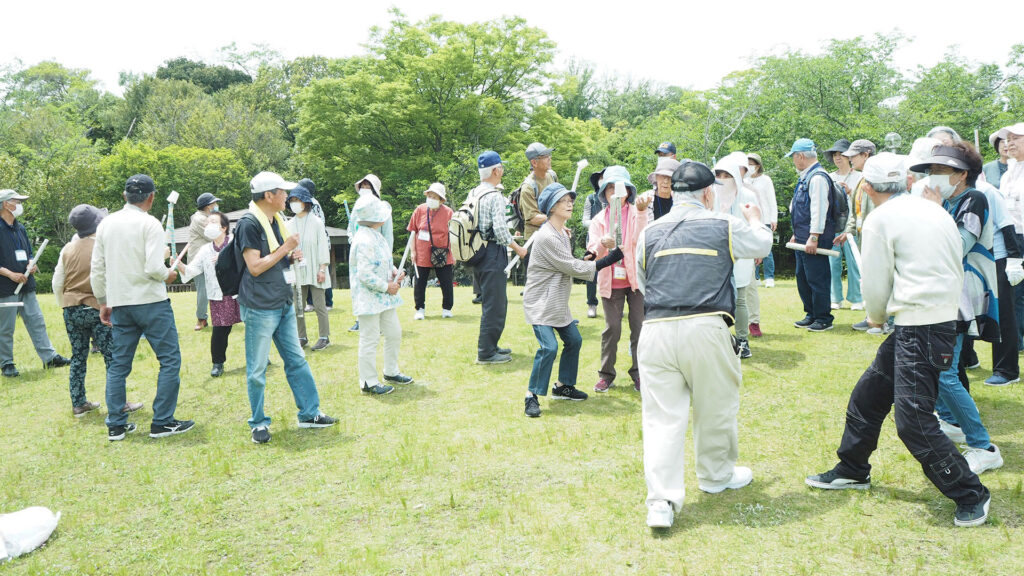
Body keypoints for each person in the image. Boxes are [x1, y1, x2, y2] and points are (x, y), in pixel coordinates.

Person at [805, 152, 992, 528]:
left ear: (869, 188)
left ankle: (971, 493)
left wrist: (875, 316)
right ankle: (853, 468)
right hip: (935, 318)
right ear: (906, 181)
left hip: (922, 324)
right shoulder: (933, 210)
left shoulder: (881, 220)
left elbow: (875, 284)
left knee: (914, 422)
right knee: (869, 394)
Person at [637, 161, 772, 528]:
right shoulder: (723, 223)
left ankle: (661, 500)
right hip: (706, 325)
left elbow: (644, 281)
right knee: (716, 406)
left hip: (656, 328)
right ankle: (715, 477)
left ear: (673, 191)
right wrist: (756, 217)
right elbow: (762, 243)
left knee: (661, 418)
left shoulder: (649, 231)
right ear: (708, 193)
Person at [911, 144, 1003, 475]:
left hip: (962, 297)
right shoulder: (952, 201)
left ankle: (983, 446)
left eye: (939, 171)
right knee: (932, 367)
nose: (932, 178)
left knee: (945, 372)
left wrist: (933, 212)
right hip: (945, 294)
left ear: (961, 174)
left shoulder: (973, 199)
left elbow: (957, 246)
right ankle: (951, 422)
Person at [91, 175, 193, 441]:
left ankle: (116, 423)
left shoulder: (106, 224)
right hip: (151, 301)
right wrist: (169, 274)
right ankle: (162, 421)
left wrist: (103, 300)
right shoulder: (150, 224)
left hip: (121, 303)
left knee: (118, 365)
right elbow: (153, 267)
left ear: (125, 196)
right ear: (151, 197)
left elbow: (97, 269)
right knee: (169, 360)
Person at [237, 171, 337, 444]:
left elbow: (277, 257)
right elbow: (255, 266)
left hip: (282, 300)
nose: (287, 198)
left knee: (296, 360)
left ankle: (309, 413)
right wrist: (287, 249)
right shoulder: (249, 224)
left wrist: (291, 255)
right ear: (268, 196)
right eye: (283, 192)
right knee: (257, 369)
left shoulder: (277, 220)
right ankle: (258, 423)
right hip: (259, 305)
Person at [523, 183, 623, 418]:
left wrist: (586, 258)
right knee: (549, 347)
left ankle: (563, 386)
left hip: (556, 302)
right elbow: (570, 267)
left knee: (574, 340)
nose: (569, 204)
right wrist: (606, 260)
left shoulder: (561, 233)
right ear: (551, 207)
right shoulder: (546, 236)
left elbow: (565, 264)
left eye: (570, 200)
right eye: (563, 201)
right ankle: (531, 396)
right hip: (540, 303)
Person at [52, 205, 142, 417]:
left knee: (78, 357)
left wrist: (64, 304)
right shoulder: (103, 247)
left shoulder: (67, 248)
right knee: (112, 357)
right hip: (97, 307)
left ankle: (78, 403)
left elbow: (57, 282)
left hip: (72, 308)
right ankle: (119, 403)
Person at [587, 166, 651, 391]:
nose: (615, 192)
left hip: (635, 281)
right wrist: (601, 245)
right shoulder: (599, 219)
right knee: (612, 328)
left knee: (640, 327)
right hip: (610, 281)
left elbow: (643, 241)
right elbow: (591, 250)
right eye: (610, 188)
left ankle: (640, 373)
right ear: (603, 192)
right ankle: (606, 374)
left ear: (628, 191)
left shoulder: (638, 211)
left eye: (619, 187)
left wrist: (643, 213)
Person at [0, 189, 70, 379]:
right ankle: (6, 363)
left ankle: (49, 357)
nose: (20, 205)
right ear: (6, 204)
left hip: (27, 285)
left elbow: (28, 252)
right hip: (5, 287)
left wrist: (32, 263)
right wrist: (9, 274)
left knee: (37, 321)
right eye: (17, 201)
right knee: (5, 327)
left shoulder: (20, 228)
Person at [350, 194, 413, 395]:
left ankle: (391, 371)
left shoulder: (376, 235)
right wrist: (387, 286)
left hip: (384, 298)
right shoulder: (363, 239)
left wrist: (394, 272)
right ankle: (368, 381)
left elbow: (383, 260)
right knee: (370, 338)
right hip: (369, 299)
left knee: (394, 332)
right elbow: (365, 274)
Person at [471, 151, 528, 364]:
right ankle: (486, 353)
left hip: (477, 252)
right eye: (501, 167)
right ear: (496, 170)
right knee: (495, 304)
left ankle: (491, 345)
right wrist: (519, 249)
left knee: (493, 301)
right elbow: (501, 231)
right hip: (492, 253)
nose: (502, 170)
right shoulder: (494, 195)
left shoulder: (474, 192)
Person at [177, 212, 241, 377]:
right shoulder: (205, 249)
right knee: (220, 331)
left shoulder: (236, 241)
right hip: (218, 296)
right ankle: (218, 363)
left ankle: (261, 357)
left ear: (224, 227)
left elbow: (243, 259)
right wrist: (179, 265)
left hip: (239, 293)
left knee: (254, 327)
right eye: (207, 222)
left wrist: (223, 256)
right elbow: (193, 270)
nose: (208, 225)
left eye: (213, 221)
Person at [786, 138, 836, 332]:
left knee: (817, 278)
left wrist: (814, 236)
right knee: (803, 277)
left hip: (814, 239)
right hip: (801, 237)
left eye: (793, 157)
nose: (793, 161)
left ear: (800, 156)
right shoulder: (806, 176)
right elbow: (799, 210)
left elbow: (818, 209)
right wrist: (795, 234)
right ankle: (811, 313)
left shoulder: (817, 178)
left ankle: (824, 318)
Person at [714, 157, 759, 358]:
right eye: (719, 175)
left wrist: (756, 249)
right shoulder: (711, 194)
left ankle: (742, 341)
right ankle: (720, 339)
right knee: (716, 298)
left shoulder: (747, 195)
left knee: (740, 298)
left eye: (727, 175)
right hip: (715, 253)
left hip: (741, 252)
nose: (723, 180)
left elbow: (756, 222)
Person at [286, 184, 331, 350]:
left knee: (320, 305)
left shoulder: (317, 222)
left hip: (315, 268)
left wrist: (322, 268)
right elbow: (286, 247)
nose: (294, 203)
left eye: (297, 200)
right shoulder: (288, 224)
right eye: (292, 200)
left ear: (305, 202)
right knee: (298, 306)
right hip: (297, 269)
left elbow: (322, 246)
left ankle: (324, 337)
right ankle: (301, 336)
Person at [347, 174, 393, 332]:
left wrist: (389, 259)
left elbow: (388, 235)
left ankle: (379, 323)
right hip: (361, 251)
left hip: (378, 255)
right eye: (363, 186)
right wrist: (354, 239)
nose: (365, 189)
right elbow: (351, 227)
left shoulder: (382, 208)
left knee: (378, 286)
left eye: (368, 186)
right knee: (360, 287)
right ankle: (360, 320)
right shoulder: (357, 207)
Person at [823, 139, 863, 312]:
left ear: (849, 157)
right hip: (833, 225)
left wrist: (849, 192)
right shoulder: (829, 177)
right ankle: (835, 298)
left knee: (854, 263)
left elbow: (863, 200)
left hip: (853, 225)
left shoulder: (860, 177)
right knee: (833, 262)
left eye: (841, 155)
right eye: (834, 155)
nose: (837, 158)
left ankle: (857, 298)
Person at [407, 182, 454, 320]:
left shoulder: (449, 212)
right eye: (430, 196)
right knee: (419, 283)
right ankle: (420, 308)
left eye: (435, 197)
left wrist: (454, 253)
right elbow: (412, 232)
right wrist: (413, 251)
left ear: (441, 200)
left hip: (443, 252)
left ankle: (447, 308)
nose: (431, 199)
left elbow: (455, 234)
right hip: (422, 252)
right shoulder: (419, 210)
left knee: (446, 282)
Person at [997, 123, 1024, 351]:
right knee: (1015, 293)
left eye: (1016, 138)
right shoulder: (1008, 173)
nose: (1009, 143)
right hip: (1012, 238)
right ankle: (1019, 341)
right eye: (1008, 139)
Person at [518, 142, 558, 288]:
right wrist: (556, 218)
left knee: (554, 279)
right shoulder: (528, 186)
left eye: (549, 155)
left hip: (553, 234)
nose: (549, 158)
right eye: (545, 156)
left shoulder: (552, 176)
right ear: (534, 162)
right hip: (535, 239)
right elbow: (533, 218)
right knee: (535, 282)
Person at [187, 192, 221, 331]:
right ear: (208, 206)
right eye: (214, 204)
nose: (216, 206)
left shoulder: (205, 217)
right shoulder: (200, 219)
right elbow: (215, 235)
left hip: (209, 259)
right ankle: (201, 319)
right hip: (199, 261)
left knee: (214, 288)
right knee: (204, 290)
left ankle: (218, 317)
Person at [299, 178, 334, 311]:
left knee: (322, 271)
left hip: (319, 242)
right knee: (308, 271)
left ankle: (328, 302)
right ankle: (311, 302)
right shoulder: (306, 203)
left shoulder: (313, 204)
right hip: (309, 243)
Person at [746, 153, 777, 289]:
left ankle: (769, 277)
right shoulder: (744, 180)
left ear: (758, 166)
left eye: (751, 164)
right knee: (752, 248)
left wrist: (773, 219)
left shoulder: (766, 180)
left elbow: (772, 200)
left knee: (766, 249)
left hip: (764, 218)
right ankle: (756, 276)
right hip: (749, 219)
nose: (749, 167)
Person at [581, 170, 605, 319]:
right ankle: (592, 304)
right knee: (591, 274)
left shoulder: (617, 199)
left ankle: (614, 304)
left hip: (611, 242)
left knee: (612, 273)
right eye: (600, 178)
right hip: (593, 241)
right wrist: (600, 222)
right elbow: (584, 221)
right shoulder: (591, 199)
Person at [642, 157, 681, 221]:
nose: (666, 181)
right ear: (656, 177)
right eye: (663, 176)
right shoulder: (645, 199)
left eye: (670, 177)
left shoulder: (680, 200)